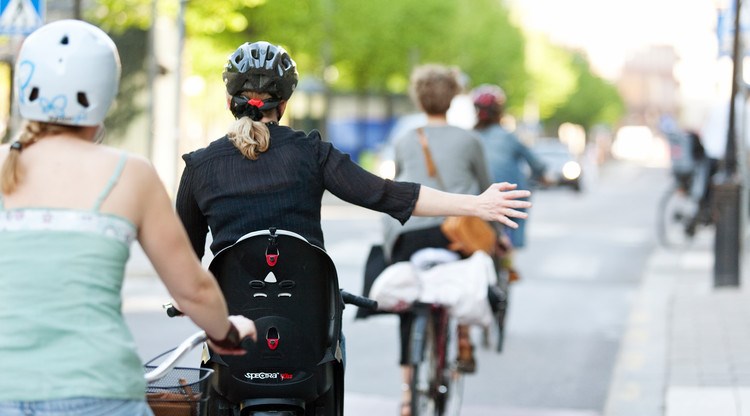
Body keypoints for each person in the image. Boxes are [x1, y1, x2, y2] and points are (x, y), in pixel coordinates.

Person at [175, 43, 531, 415]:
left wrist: (187, 301)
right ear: (283, 103)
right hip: (307, 344)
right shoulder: (312, 153)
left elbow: (183, 263)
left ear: (230, 99)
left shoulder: (199, 167)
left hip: (232, 338)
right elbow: (388, 195)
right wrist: (474, 204)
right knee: (330, 350)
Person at [0, 20, 256, 416]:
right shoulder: (129, 173)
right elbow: (193, 290)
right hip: (98, 393)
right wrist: (224, 331)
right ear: (105, 92)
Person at [379, 64, 496, 415]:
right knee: (466, 277)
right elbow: (485, 187)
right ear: (454, 97)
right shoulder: (471, 139)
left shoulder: (404, 139)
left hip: (406, 232)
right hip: (455, 231)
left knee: (409, 299)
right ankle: (462, 338)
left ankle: (405, 394)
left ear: (419, 97)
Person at [472, 84, 547, 250]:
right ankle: (509, 261)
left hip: (476, 200)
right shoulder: (508, 137)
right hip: (508, 201)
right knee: (514, 220)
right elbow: (536, 163)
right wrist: (542, 176)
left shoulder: (470, 137)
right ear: (500, 111)